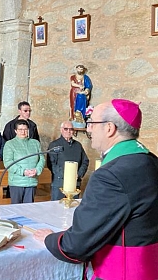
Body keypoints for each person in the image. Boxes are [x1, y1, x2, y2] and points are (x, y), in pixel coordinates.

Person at [34, 99, 158, 280]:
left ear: (109, 128)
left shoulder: (110, 175)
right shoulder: (151, 161)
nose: (88, 129)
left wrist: (50, 239)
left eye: (91, 122)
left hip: (121, 273)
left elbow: (75, 246)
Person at [2, 120, 45, 204]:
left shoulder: (35, 143)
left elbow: (42, 159)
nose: (23, 132)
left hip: (31, 181)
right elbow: (8, 162)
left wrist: (37, 170)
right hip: (17, 182)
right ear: (15, 131)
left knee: (28, 209)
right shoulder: (10, 144)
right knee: (16, 209)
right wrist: (23, 172)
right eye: (20, 129)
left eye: (25, 129)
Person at [47, 121, 89, 200]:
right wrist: (66, 175)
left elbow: (85, 161)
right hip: (60, 183)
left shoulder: (78, 145)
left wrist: (79, 174)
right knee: (56, 208)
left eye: (71, 129)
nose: (69, 131)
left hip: (75, 183)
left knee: (72, 207)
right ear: (61, 130)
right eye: (66, 129)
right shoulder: (54, 145)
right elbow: (51, 164)